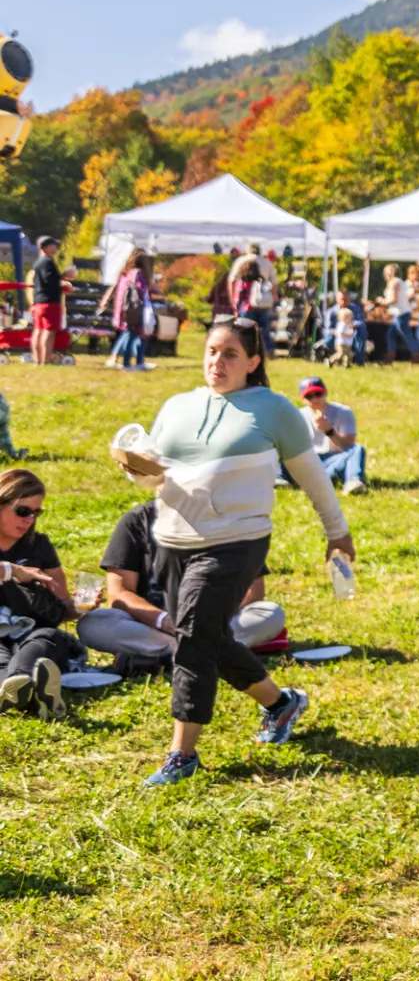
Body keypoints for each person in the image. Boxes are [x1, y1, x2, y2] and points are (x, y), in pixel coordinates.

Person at [136, 318, 355, 785]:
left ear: (253, 361)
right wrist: (134, 468)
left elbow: (312, 476)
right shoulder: (177, 406)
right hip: (173, 540)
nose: (217, 361)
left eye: (230, 353)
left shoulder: (273, 410)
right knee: (208, 636)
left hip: (236, 541)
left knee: (193, 636)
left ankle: (182, 755)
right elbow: (154, 476)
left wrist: (337, 532)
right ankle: (280, 703)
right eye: (212, 351)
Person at [76, 500, 289, 673]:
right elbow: (120, 595)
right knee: (92, 623)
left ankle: (169, 657)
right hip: (153, 625)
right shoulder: (137, 521)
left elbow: (254, 588)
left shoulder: (230, 521)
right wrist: (163, 620)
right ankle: (206, 654)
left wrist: (211, 618)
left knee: (270, 613)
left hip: (216, 621)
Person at [0, 470, 78, 720]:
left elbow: (63, 605)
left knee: (48, 637)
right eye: (23, 511)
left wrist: (78, 609)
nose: (30, 520)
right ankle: (34, 695)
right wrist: (14, 571)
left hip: (33, 633)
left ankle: (19, 688)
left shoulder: (39, 545)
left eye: (36, 513)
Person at [287, 376, 367, 495]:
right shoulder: (298, 416)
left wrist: (329, 431)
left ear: (325, 393)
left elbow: (348, 447)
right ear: (303, 399)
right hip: (309, 463)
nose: (315, 400)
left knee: (358, 449)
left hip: (333, 460)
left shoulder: (343, 412)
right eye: (309, 396)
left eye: (318, 394)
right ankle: (281, 479)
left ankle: (353, 481)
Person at [108, 250, 156, 372]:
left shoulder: (124, 273)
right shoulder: (138, 273)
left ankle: (124, 360)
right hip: (134, 309)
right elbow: (140, 290)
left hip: (123, 309)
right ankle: (128, 362)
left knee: (127, 333)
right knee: (133, 334)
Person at [30, 235, 73, 367]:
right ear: (46, 247)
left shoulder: (37, 263)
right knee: (49, 332)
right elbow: (50, 281)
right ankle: (45, 360)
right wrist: (64, 282)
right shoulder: (47, 262)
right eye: (53, 245)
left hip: (38, 301)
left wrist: (61, 276)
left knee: (38, 330)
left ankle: (36, 359)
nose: (55, 247)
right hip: (49, 302)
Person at [379, 263, 417, 363]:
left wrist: (381, 302)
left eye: (386, 271)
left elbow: (393, 299)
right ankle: (390, 357)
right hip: (400, 313)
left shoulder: (394, 282)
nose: (384, 274)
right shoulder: (399, 282)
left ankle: (417, 356)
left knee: (407, 335)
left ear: (391, 272)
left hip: (401, 314)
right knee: (390, 334)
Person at [323, 289, 367, 365]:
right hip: (337, 338)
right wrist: (337, 332)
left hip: (351, 336)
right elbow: (327, 329)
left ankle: (358, 361)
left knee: (361, 332)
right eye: (342, 299)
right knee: (337, 349)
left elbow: (361, 322)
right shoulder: (331, 312)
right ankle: (330, 361)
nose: (344, 301)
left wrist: (353, 326)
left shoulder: (355, 309)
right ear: (337, 299)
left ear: (349, 299)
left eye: (346, 299)